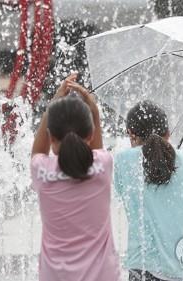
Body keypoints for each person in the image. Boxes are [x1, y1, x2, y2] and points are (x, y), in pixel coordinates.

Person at [30, 74, 120, 281]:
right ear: (91, 134)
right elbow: (97, 152)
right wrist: (94, 110)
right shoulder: (102, 165)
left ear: (52, 137)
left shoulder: (42, 170)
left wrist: (52, 106)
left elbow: (37, 153)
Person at [114, 101, 183, 281]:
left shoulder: (123, 161)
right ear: (168, 133)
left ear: (131, 134)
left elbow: (122, 192)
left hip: (146, 266)